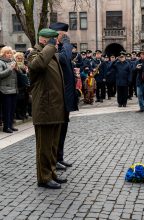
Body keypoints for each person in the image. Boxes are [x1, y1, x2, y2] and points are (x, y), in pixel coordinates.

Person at [28, 28, 66, 189]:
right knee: (44, 146)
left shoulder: (50, 54)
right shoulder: (34, 54)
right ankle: (43, 178)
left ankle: (51, 173)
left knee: (52, 146)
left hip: (55, 108)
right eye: (54, 41)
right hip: (44, 108)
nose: (57, 44)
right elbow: (38, 65)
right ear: (45, 40)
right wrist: (50, 47)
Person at [49, 22, 78, 170]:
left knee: (63, 129)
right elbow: (65, 58)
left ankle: (59, 157)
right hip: (58, 97)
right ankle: (54, 160)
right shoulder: (51, 48)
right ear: (56, 34)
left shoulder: (60, 47)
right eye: (63, 35)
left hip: (66, 96)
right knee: (57, 131)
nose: (65, 37)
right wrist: (67, 43)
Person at [0, 46, 18, 133]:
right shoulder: (1, 62)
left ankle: (11, 125)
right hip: (5, 90)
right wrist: (10, 69)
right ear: (3, 54)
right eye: (7, 53)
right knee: (7, 109)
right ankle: (6, 127)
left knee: (12, 109)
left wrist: (18, 69)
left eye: (10, 53)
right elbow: (0, 74)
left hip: (14, 89)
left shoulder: (13, 61)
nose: (10, 54)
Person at [14, 52, 30, 120]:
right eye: (18, 58)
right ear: (15, 58)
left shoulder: (24, 66)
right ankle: (19, 114)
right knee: (19, 101)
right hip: (18, 85)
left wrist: (27, 71)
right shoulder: (15, 66)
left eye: (21, 58)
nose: (20, 59)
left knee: (24, 101)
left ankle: (23, 114)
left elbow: (27, 75)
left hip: (24, 86)